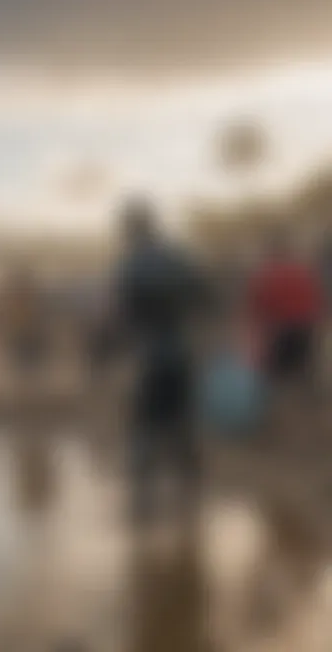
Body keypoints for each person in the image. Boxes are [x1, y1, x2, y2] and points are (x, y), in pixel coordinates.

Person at [116, 199, 212, 526]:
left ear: (132, 229)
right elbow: (206, 295)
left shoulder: (132, 264)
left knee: (144, 425)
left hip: (152, 356)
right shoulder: (177, 258)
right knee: (182, 420)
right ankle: (191, 500)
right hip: (181, 352)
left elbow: (125, 311)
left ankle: (143, 504)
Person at [246, 229, 324, 411]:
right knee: (304, 372)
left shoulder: (265, 275)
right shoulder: (302, 272)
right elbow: (317, 301)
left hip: (281, 331)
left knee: (275, 378)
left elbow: (257, 308)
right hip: (305, 328)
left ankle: (278, 416)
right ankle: (311, 412)